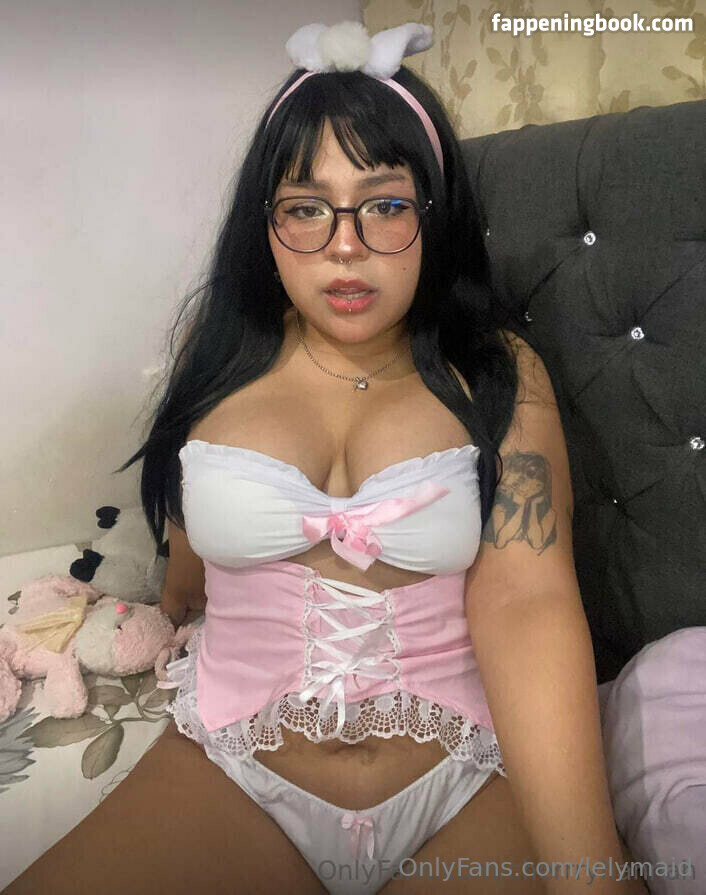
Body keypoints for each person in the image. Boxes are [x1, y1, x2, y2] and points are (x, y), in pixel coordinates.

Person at [6, 21, 647, 895]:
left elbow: (530, 604)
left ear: (433, 215)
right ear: (265, 224)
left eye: (384, 205)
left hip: (463, 776)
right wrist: (180, 586)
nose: (346, 245)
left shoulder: (499, 373)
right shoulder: (217, 351)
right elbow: (188, 507)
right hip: (234, 766)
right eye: (306, 208)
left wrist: (593, 876)